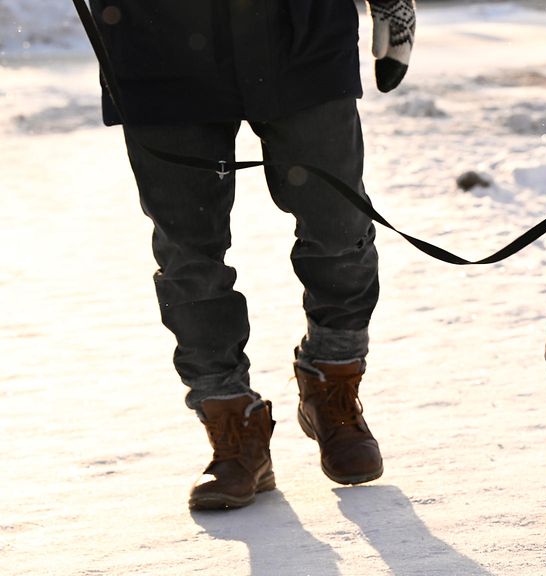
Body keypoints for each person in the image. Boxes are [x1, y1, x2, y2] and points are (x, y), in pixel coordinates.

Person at [87, 0, 417, 510]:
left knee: (339, 226)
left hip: (299, 27)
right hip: (155, 36)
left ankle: (333, 381)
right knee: (188, 256)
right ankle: (231, 426)